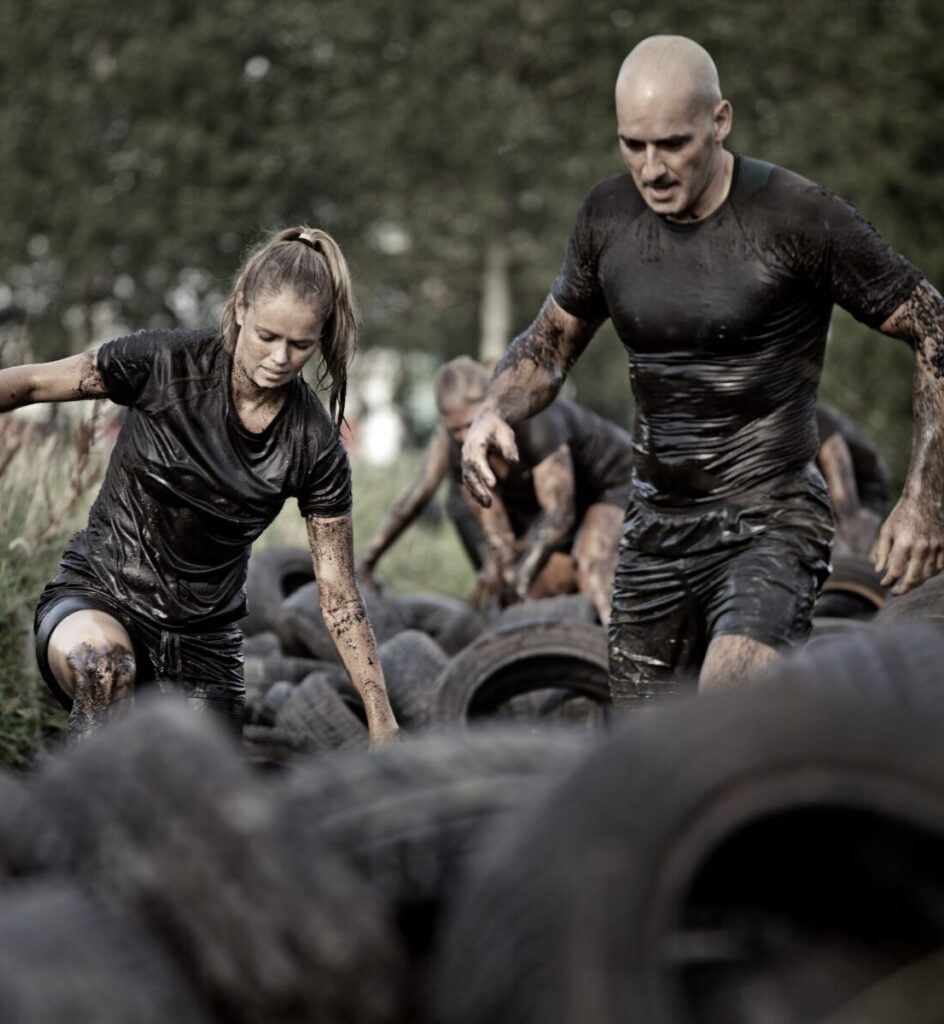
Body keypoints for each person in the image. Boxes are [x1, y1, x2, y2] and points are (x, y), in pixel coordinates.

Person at [461, 35, 944, 705]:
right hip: (655, 526)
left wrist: (925, 499)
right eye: (634, 145)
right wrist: (493, 410)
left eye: (674, 145)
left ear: (720, 121)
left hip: (769, 520)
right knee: (645, 763)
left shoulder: (798, 216)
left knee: (722, 716)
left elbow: (933, 326)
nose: (652, 169)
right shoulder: (606, 216)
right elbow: (547, 350)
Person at [0, 227, 400, 746]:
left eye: (300, 345)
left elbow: (338, 596)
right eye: (267, 336)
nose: (280, 358)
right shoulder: (164, 364)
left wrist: (380, 718)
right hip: (98, 599)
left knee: (196, 799)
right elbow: (36, 383)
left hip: (203, 643)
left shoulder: (314, 444)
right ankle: (75, 811)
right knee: (105, 670)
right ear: (240, 309)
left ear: (320, 337)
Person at [360, 356, 632, 622]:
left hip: (611, 479)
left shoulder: (534, 421)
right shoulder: (458, 450)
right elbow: (496, 533)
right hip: (559, 498)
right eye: (456, 431)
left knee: (592, 563)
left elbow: (559, 513)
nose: (467, 438)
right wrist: (509, 575)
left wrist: (522, 577)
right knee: (516, 581)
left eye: (471, 425)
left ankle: (611, 652)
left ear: (491, 407)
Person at [815, 403, 891, 556]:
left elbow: (837, 465)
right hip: (823, 485)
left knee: (848, 554)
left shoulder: (814, 416)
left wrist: (848, 528)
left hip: (865, 487)